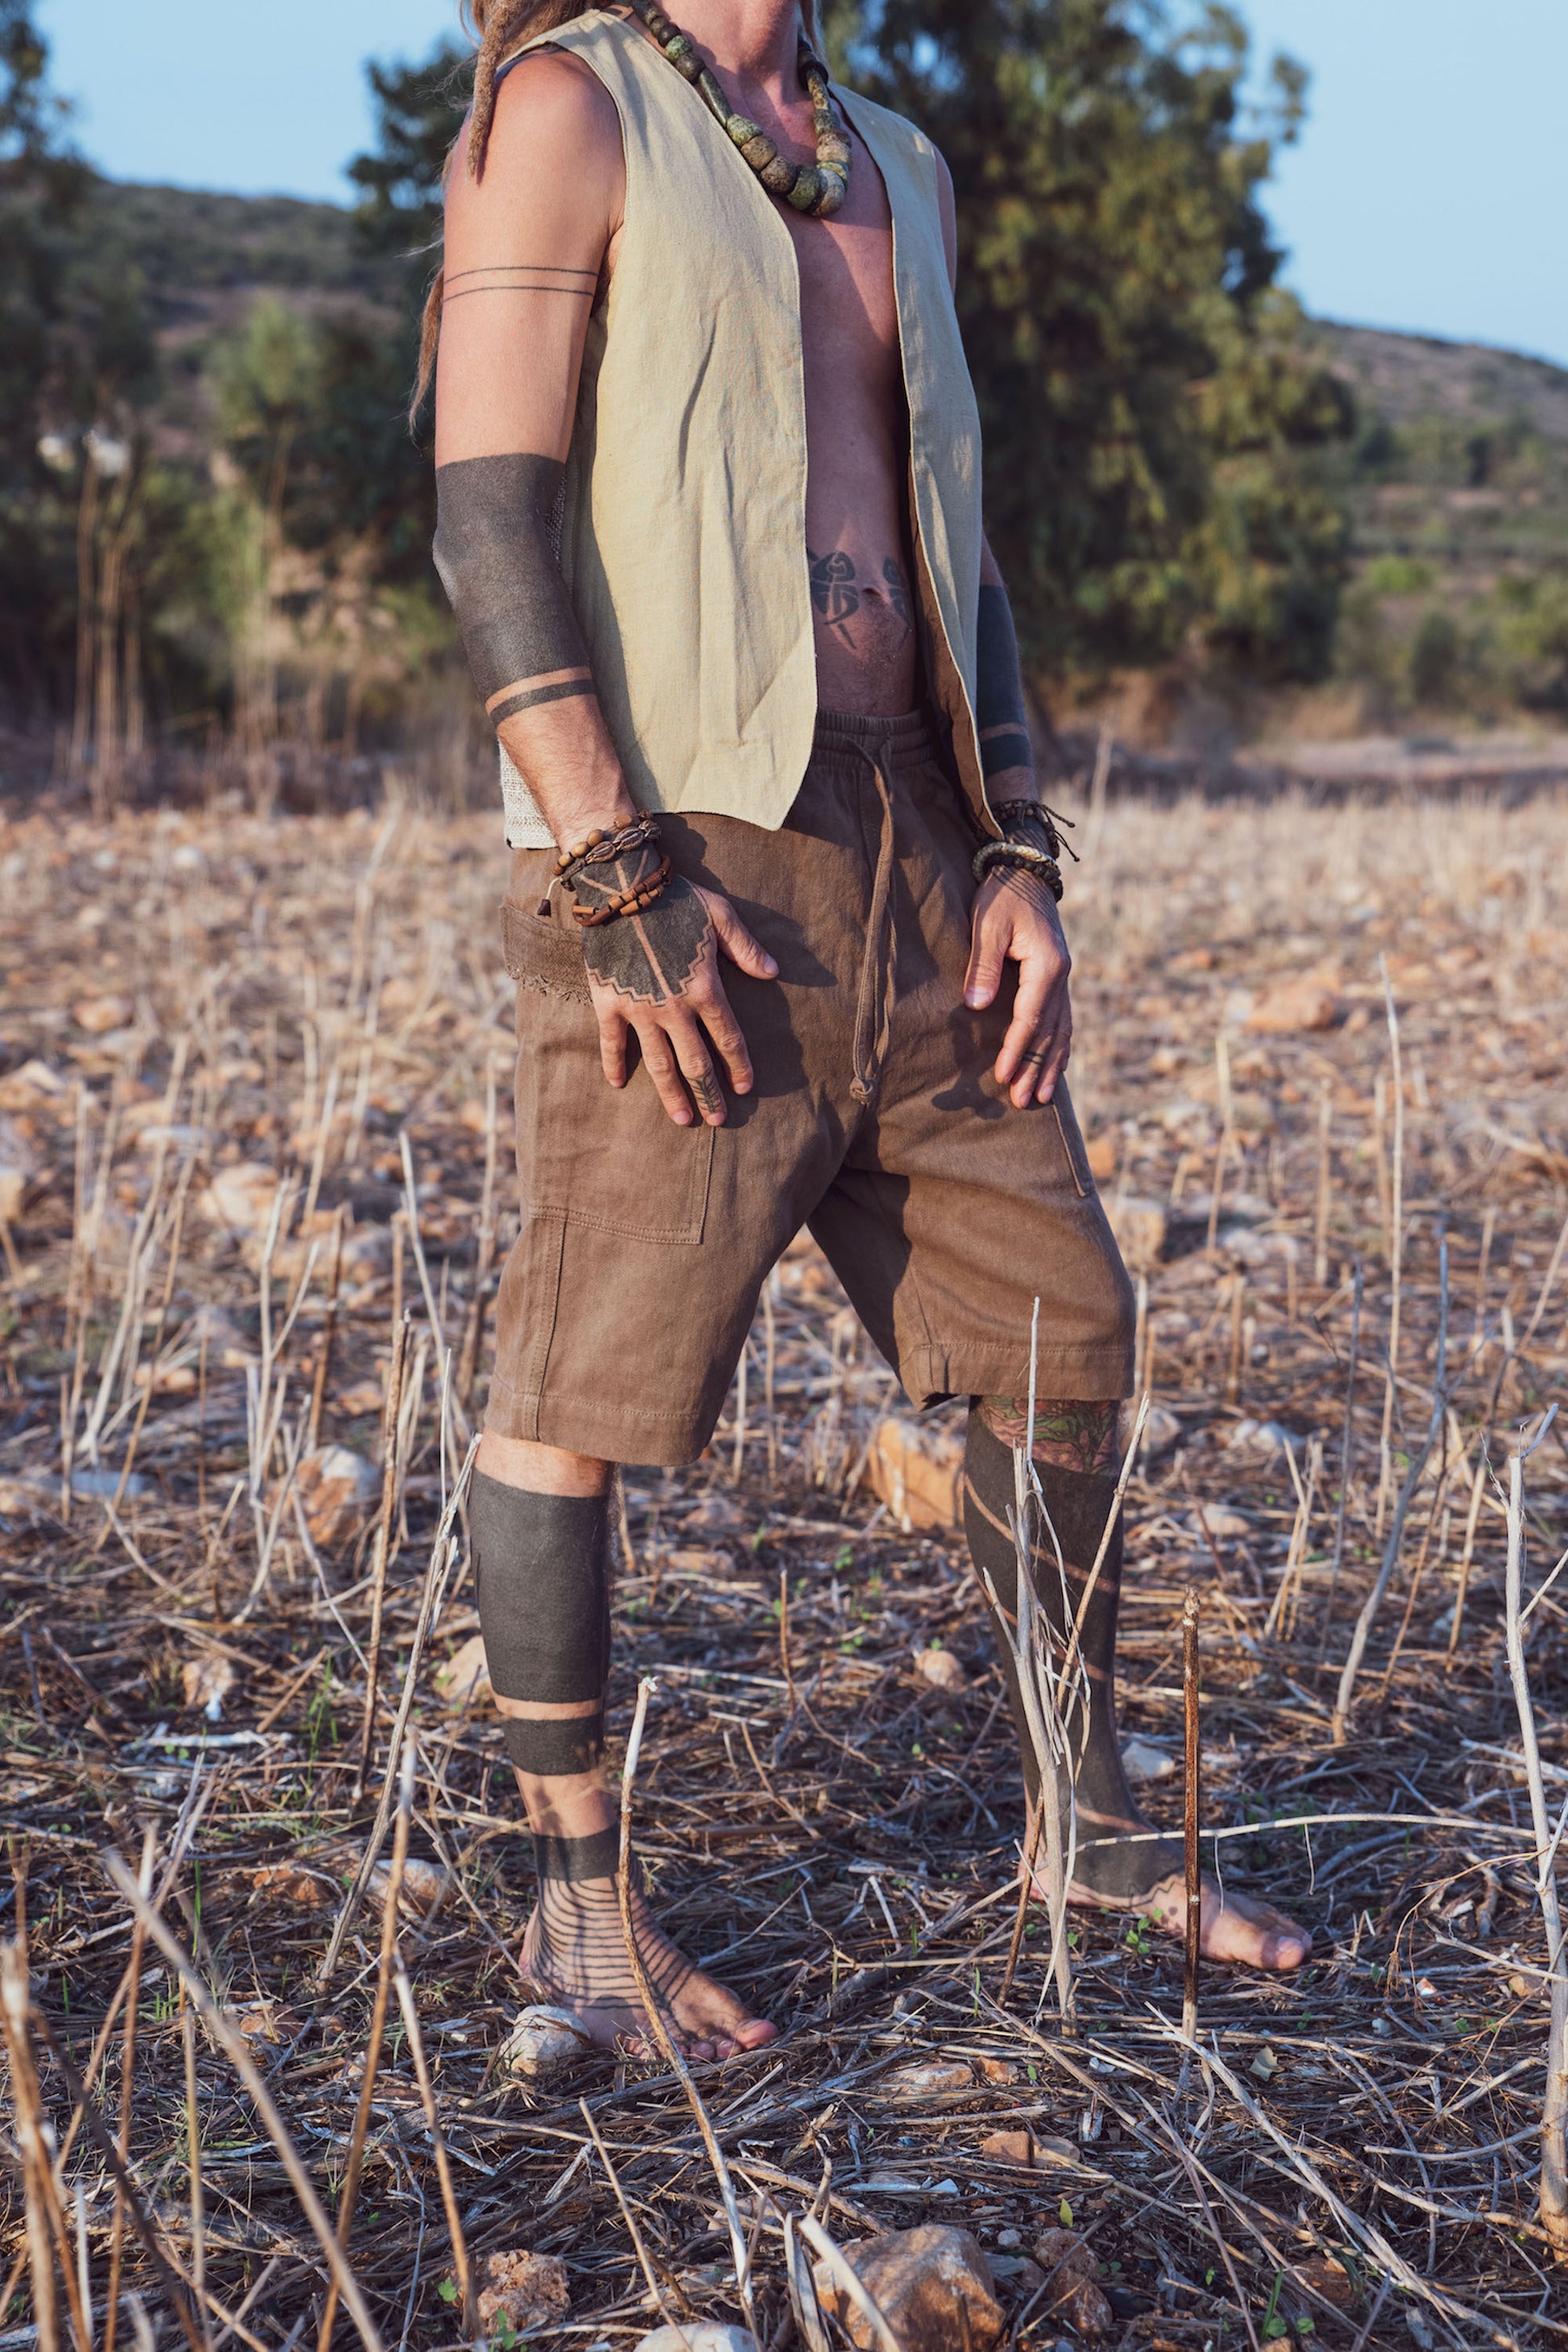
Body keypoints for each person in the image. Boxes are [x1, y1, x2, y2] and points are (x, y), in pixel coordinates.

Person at [427, 0, 1310, 2059]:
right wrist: (617, 872)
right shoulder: (565, 109)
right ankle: (576, 1911)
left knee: (1056, 1326)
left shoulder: (890, 152)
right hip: (697, 852)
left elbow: (958, 542)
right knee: (588, 1366)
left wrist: (1019, 848)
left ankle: (1085, 1834)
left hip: (928, 831)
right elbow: (488, 517)